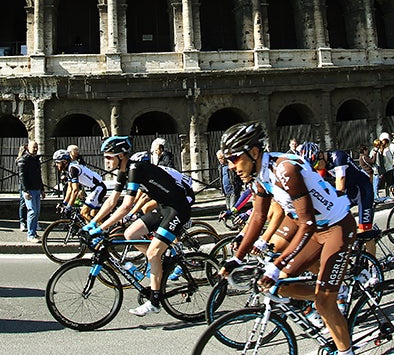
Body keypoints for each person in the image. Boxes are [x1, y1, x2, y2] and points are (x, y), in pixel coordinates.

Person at [219, 122, 357, 355]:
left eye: (234, 158)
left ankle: (345, 346)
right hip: (314, 229)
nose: (231, 166)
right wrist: (237, 258)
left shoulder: (284, 170)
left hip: (337, 227)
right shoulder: (260, 175)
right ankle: (327, 296)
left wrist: (277, 264)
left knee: (324, 303)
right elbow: (258, 217)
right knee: (279, 286)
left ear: (254, 153)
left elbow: (307, 223)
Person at [84, 135, 196, 317]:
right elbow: (111, 201)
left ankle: (154, 302)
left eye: (109, 157)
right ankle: (159, 263)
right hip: (163, 207)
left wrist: (101, 228)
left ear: (121, 155)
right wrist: (92, 222)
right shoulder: (124, 171)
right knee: (130, 234)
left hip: (178, 208)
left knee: (153, 252)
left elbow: (126, 206)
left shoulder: (135, 169)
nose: (106, 161)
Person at [53, 148, 106, 220]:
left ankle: (100, 227)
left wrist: (69, 206)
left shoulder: (73, 169)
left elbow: (75, 190)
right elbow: (70, 188)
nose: (56, 165)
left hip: (99, 188)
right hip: (96, 189)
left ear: (64, 161)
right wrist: (64, 203)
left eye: (57, 162)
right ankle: (102, 227)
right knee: (93, 217)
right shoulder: (69, 169)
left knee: (84, 213)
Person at [17, 140, 43, 241]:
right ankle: (30, 235)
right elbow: (22, 177)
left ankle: (34, 233)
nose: (36, 149)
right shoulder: (24, 159)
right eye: (34, 147)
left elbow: (39, 175)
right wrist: (25, 190)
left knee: (37, 212)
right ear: (28, 148)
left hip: (36, 188)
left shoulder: (36, 159)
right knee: (32, 212)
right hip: (29, 189)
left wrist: (42, 189)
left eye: (37, 147)